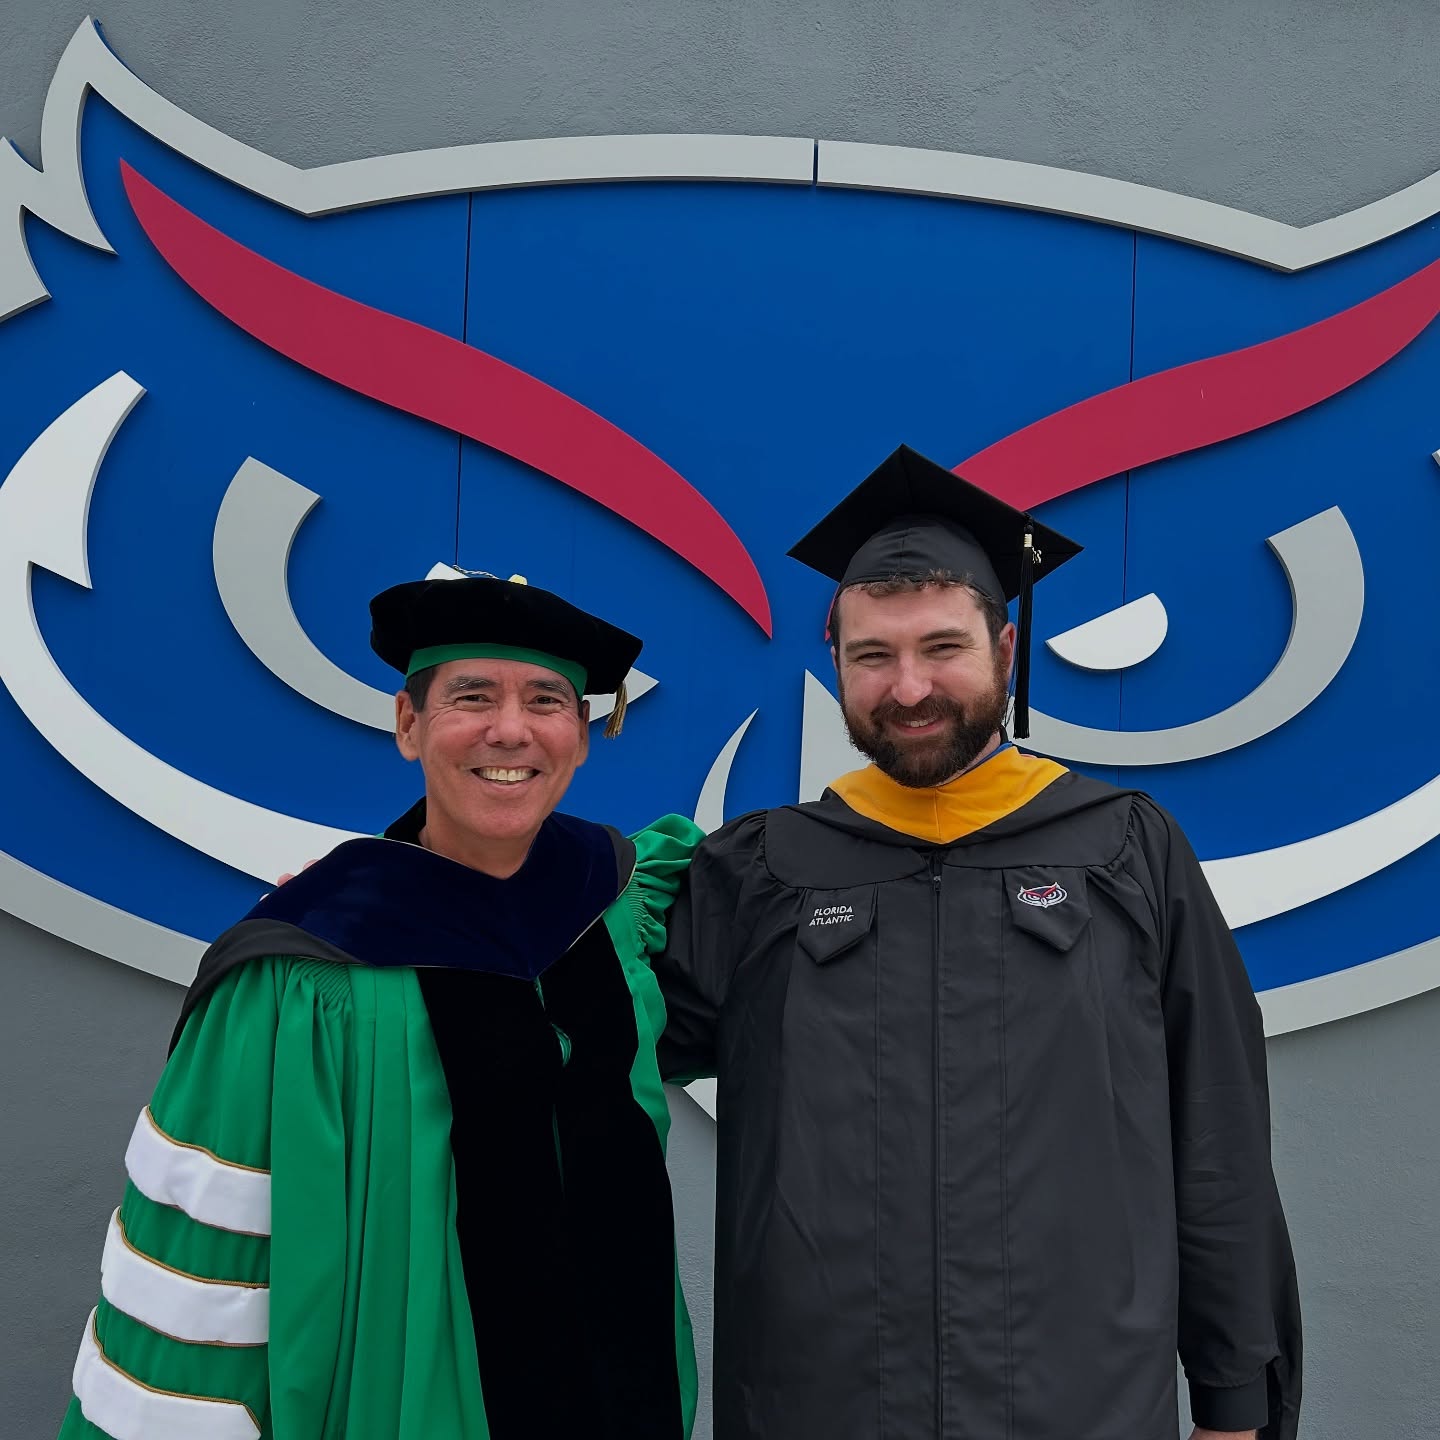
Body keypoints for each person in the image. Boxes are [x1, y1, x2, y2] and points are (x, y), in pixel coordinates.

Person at [655, 445, 1302, 1440]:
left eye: (943, 648)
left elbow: (1214, 1137)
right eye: (873, 656)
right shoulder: (762, 870)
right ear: (835, 661)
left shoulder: (1127, 848)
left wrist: (1231, 1398)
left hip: (1080, 1403)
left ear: (1005, 650)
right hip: (815, 1403)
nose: (909, 687)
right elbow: (596, 1040)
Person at [59, 571, 703, 1440]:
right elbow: (209, 1267)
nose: (510, 730)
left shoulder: (615, 903)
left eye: (547, 700)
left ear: (580, 736)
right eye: (471, 696)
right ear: (409, 724)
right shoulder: (307, 967)